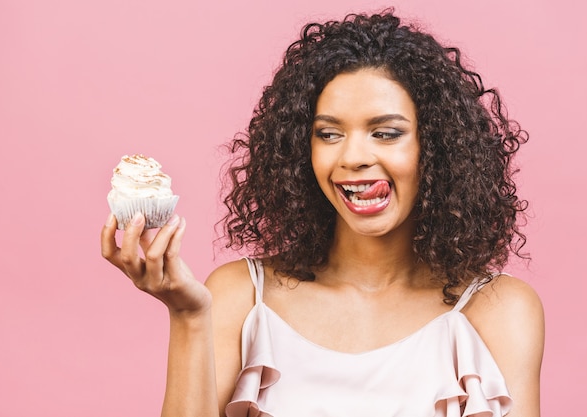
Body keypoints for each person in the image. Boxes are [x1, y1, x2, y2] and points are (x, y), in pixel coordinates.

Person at [101, 10, 544, 417]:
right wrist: (187, 315)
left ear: (437, 147)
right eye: (328, 134)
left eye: (386, 133)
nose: (353, 157)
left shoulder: (498, 312)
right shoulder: (241, 298)